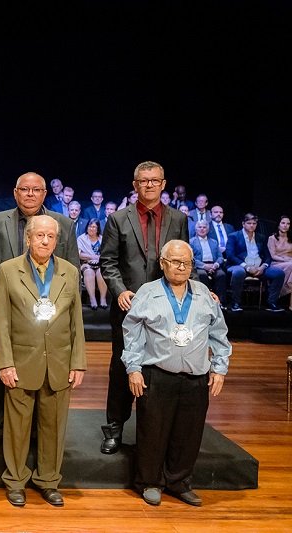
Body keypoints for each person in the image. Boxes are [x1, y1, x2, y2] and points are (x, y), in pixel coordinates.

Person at [0, 172, 80, 453]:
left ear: (45, 194)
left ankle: (35, 432)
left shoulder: (64, 225)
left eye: (36, 190)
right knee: (1, 368)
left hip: (51, 316)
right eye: (24, 189)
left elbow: (72, 270)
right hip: (6, 311)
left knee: (45, 375)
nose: (30, 194)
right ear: (15, 192)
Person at [122, 240, 231, 507]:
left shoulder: (204, 293)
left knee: (189, 433)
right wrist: (133, 368)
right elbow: (131, 332)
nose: (181, 267)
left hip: (196, 378)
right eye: (175, 261)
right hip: (157, 374)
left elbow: (219, 333)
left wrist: (219, 367)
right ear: (162, 263)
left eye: (187, 262)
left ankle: (179, 482)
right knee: (152, 432)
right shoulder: (147, 293)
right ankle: (149, 482)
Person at [0, 215, 86, 508]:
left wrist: (77, 362)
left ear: (57, 240)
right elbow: (1, 320)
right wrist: (5, 363)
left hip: (58, 361)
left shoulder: (70, 271)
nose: (45, 241)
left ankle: (48, 481)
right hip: (20, 362)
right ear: (28, 239)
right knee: (17, 427)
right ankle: (16, 481)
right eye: (39, 236)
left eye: (50, 237)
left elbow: (76, 321)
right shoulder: (8, 270)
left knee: (54, 426)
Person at [98, 161, 190, 455]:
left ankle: (152, 432)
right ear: (135, 185)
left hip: (166, 306)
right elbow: (108, 262)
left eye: (154, 181)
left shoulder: (178, 219)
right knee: (122, 366)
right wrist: (119, 290)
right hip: (129, 306)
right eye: (143, 181)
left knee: (157, 369)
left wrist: (199, 292)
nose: (149, 185)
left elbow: (185, 261)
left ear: (164, 184)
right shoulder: (117, 218)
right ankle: (114, 429)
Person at [225, 213, 285, 312]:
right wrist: (247, 267)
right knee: (239, 272)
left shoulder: (260, 237)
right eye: (249, 223)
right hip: (239, 265)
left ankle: (271, 303)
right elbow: (230, 255)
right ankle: (235, 303)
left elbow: (268, 256)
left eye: (254, 223)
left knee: (279, 273)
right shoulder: (234, 236)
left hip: (258, 267)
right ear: (243, 224)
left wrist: (263, 267)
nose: (252, 225)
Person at [190, 220, 227, 304]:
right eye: (200, 227)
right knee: (202, 274)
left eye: (204, 227)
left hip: (214, 265)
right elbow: (191, 258)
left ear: (208, 229)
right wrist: (204, 266)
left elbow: (220, 257)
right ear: (196, 229)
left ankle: (220, 302)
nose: (202, 229)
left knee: (221, 275)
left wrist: (216, 265)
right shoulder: (191, 242)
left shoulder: (214, 242)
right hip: (200, 266)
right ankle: (205, 301)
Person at [78, 218, 108, 309]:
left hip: (100, 264)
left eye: (94, 227)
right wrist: (92, 257)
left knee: (101, 272)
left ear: (98, 229)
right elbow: (79, 254)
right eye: (90, 226)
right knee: (89, 272)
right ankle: (92, 299)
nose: (91, 229)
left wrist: (98, 259)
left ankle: (103, 299)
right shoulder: (81, 238)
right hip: (86, 263)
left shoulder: (102, 239)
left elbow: (106, 253)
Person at [268, 215, 292, 305]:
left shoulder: (291, 239)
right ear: (278, 225)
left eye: (288, 224)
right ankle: (282, 290)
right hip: (276, 263)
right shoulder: (272, 238)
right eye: (283, 223)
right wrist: (286, 260)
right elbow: (273, 255)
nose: (285, 225)